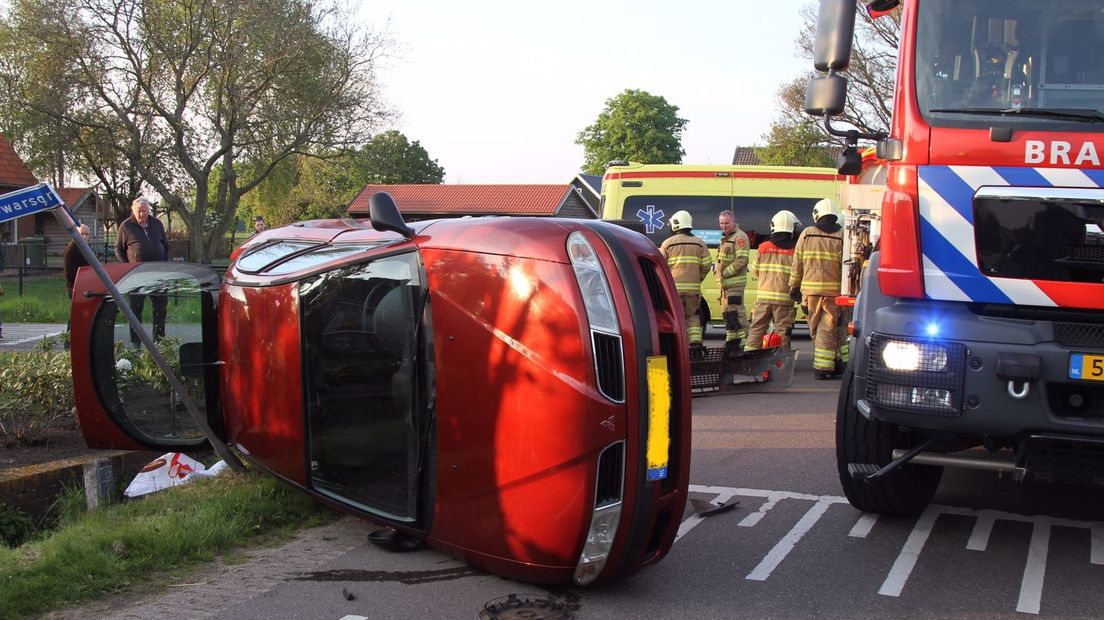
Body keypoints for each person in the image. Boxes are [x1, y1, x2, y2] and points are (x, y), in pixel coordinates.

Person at [789, 198, 845, 379]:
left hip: (810, 293)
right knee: (828, 328)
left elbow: (797, 263)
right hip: (834, 293)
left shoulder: (807, 234)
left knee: (816, 329)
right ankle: (830, 362)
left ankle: (823, 367)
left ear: (816, 214)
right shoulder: (843, 235)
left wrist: (794, 286)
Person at [115, 197, 170, 343]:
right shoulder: (126, 226)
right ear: (134, 211)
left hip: (158, 275)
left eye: (144, 211)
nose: (142, 214)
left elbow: (165, 245)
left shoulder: (157, 224)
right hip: (137, 276)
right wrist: (127, 267)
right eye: (139, 211)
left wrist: (165, 264)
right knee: (135, 310)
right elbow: (119, 249)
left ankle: (159, 341)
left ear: (148, 211)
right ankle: (136, 342)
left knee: (160, 309)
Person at [745, 210, 799, 352]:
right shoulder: (795, 249)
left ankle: (750, 358)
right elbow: (798, 273)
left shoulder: (763, 247)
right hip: (784, 299)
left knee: (757, 328)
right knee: (782, 332)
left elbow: (755, 270)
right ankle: (780, 361)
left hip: (763, 298)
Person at [659, 210, 712, 347]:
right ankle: (695, 344)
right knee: (693, 316)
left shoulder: (667, 244)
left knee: (676, 317)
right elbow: (707, 264)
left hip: (673, 289)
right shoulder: (699, 243)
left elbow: (659, 265)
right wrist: (697, 278)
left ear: (675, 224)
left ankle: (678, 346)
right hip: (693, 289)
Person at [716, 209, 750, 347]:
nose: (724, 226)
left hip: (734, 285)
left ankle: (748, 344)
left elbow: (742, 260)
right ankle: (732, 344)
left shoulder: (739, 237)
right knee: (728, 317)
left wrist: (724, 274)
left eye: (727, 223)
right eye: (721, 223)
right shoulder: (726, 238)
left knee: (737, 315)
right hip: (725, 287)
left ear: (733, 222)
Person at [63, 224, 93, 298]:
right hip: (76, 287)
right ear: (76, 234)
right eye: (82, 234)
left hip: (88, 284)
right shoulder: (71, 249)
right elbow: (68, 273)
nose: (84, 237)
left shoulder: (88, 247)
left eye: (86, 234)